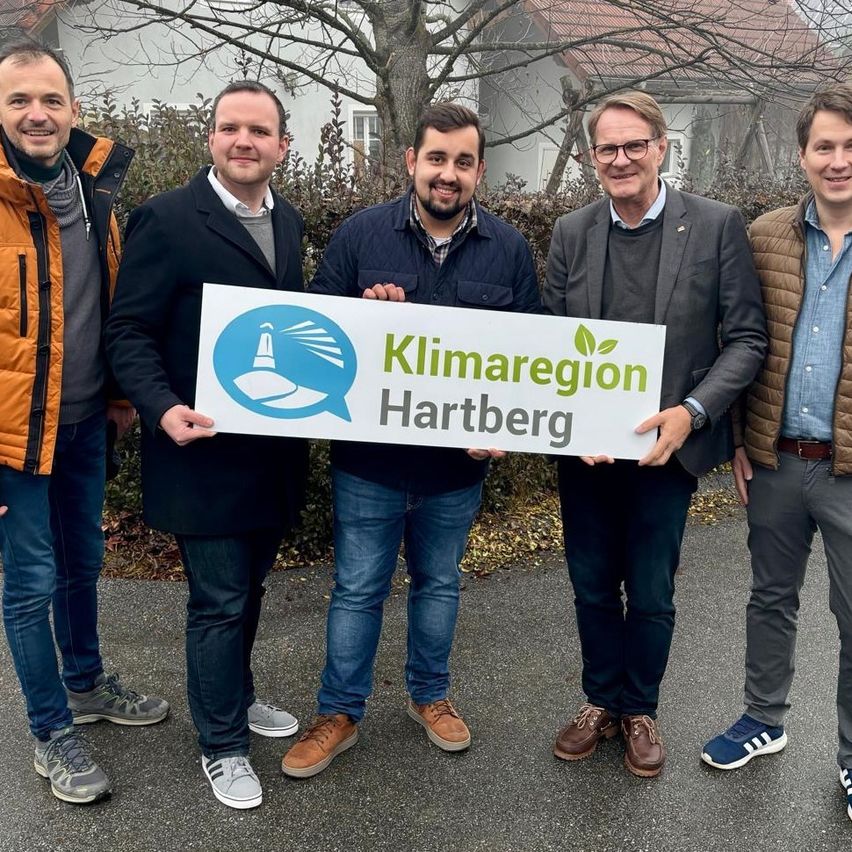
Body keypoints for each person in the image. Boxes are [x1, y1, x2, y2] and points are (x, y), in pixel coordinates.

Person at [281, 102, 542, 779]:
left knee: (438, 586)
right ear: (410, 162)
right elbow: (315, 333)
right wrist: (364, 320)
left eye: (462, 162)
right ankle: (339, 712)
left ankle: (430, 695)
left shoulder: (510, 249)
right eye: (436, 159)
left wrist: (504, 426)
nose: (447, 175)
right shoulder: (361, 237)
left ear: (480, 170)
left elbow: (533, 354)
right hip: (368, 463)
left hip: (457, 471)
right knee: (358, 588)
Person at [542, 91, 767, 777]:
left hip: (666, 452)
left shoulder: (716, 225)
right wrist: (564, 417)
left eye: (634, 144)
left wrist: (694, 412)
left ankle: (639, 708)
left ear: (661, 148)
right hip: (587, 454)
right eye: (607, 148)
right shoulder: (571, 232)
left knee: (652, 588)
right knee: (588, 585)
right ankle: (598, 701)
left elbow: (747, 338)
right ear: (591, 157)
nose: (620, 158)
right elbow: (545, 345)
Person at [104, 80, 309, 810]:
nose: (243, 140)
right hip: (200, 451)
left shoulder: (288, 220)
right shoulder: (164, 218)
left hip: (270, 456)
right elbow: (128, 331)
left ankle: (237, 695)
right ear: (211, 139)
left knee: (247, 591)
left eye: (259, 130)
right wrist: (161, 408)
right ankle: (221, 745)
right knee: (218, 602)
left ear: (283, 146)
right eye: (230, 128)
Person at [0, 40, 169, 805]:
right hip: (11, 441)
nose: (37, 114)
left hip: (83, 425)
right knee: (30, 583)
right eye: (18, 101)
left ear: (72, 110)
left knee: (83, 564)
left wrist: (122, 399)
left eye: (51, 100)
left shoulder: (95, 190)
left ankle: (86, 682)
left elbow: (107, 309)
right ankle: (49, 732)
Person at [701, 84, 852, 822]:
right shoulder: (762, 237)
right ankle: (764, 718)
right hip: (776, 460)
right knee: (770, 598)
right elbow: (739, 342)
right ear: (802, 155)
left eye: (851, 147)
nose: (838, 160)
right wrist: (737, 439)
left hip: (851, 471)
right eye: (825, 145)